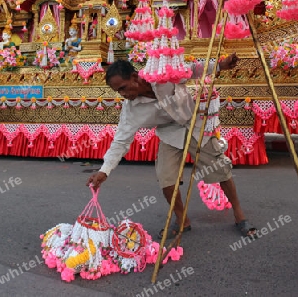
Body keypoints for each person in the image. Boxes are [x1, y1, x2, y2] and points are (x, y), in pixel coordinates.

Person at [87, 56, 257, 239]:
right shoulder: (130, 111)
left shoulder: (162, 75)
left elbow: (193, 69)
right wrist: (104, 171)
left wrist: (220, 66)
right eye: (117, 91)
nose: (123, 94)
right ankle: (181, 219)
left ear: (135, 77)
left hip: (195, 124)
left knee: (220, 170)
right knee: (166, 179)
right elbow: (120, 141)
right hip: (169, 134)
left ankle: (240, 216)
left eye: (123, 88)